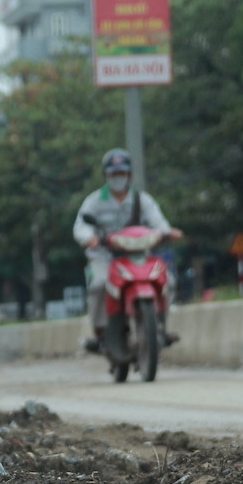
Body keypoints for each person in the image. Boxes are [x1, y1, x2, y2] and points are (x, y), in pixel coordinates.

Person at [73, 149, 177, 352]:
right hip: (105, 257)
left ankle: (160, 325)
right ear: (106, 175)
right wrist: (89, 238)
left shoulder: (142, 199)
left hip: (138, 255)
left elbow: (158, 222)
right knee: (99, 284)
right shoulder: (94, 201)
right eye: (113, 174)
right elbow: (80, 226)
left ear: (129, 174)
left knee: (168, 280)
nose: (118, 178)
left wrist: (168, 233)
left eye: (122, 173)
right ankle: (101, 333)